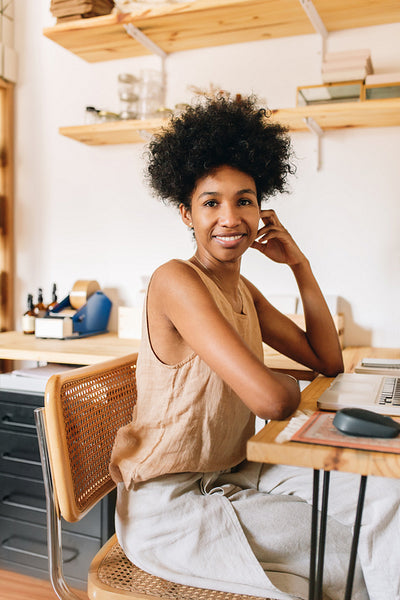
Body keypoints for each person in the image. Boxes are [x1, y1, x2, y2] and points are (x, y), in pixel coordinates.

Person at [110, 94, 399, 600]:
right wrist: (285, 385)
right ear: (185, 214)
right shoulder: (176, 280)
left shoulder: (243, 290)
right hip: (171, 506)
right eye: (211, 202)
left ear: (261, 209)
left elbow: (327, 360)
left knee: (386, 496)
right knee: (353, 551)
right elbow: (272, 400)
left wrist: (300, 265)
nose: (230, 217)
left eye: (244, 200)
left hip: (232, 472)